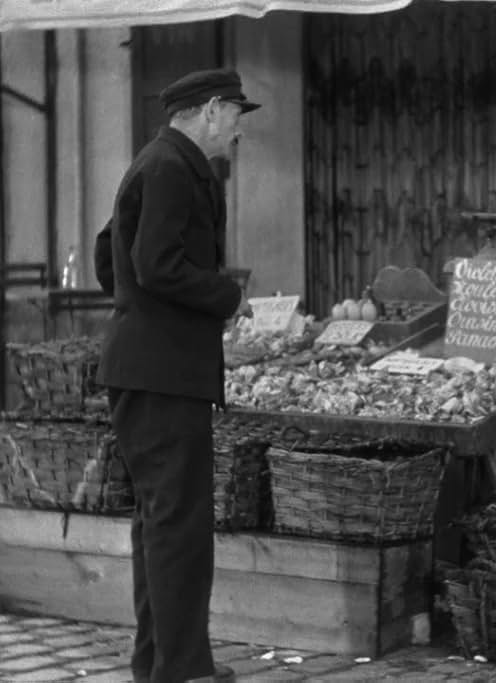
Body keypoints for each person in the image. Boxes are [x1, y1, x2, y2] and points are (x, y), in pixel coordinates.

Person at [93, 69, 260, 683]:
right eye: (237, 115)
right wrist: (224, 298)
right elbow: (157, 263)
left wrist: (138, 313)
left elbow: (108, 250)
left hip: (152, 366)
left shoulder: (156, 161)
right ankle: (183, 671)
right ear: (212, 110)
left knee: (161, 525)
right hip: (163, 375)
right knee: (179, 528)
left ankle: (161, 665)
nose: (239, 131)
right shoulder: (169, 166)